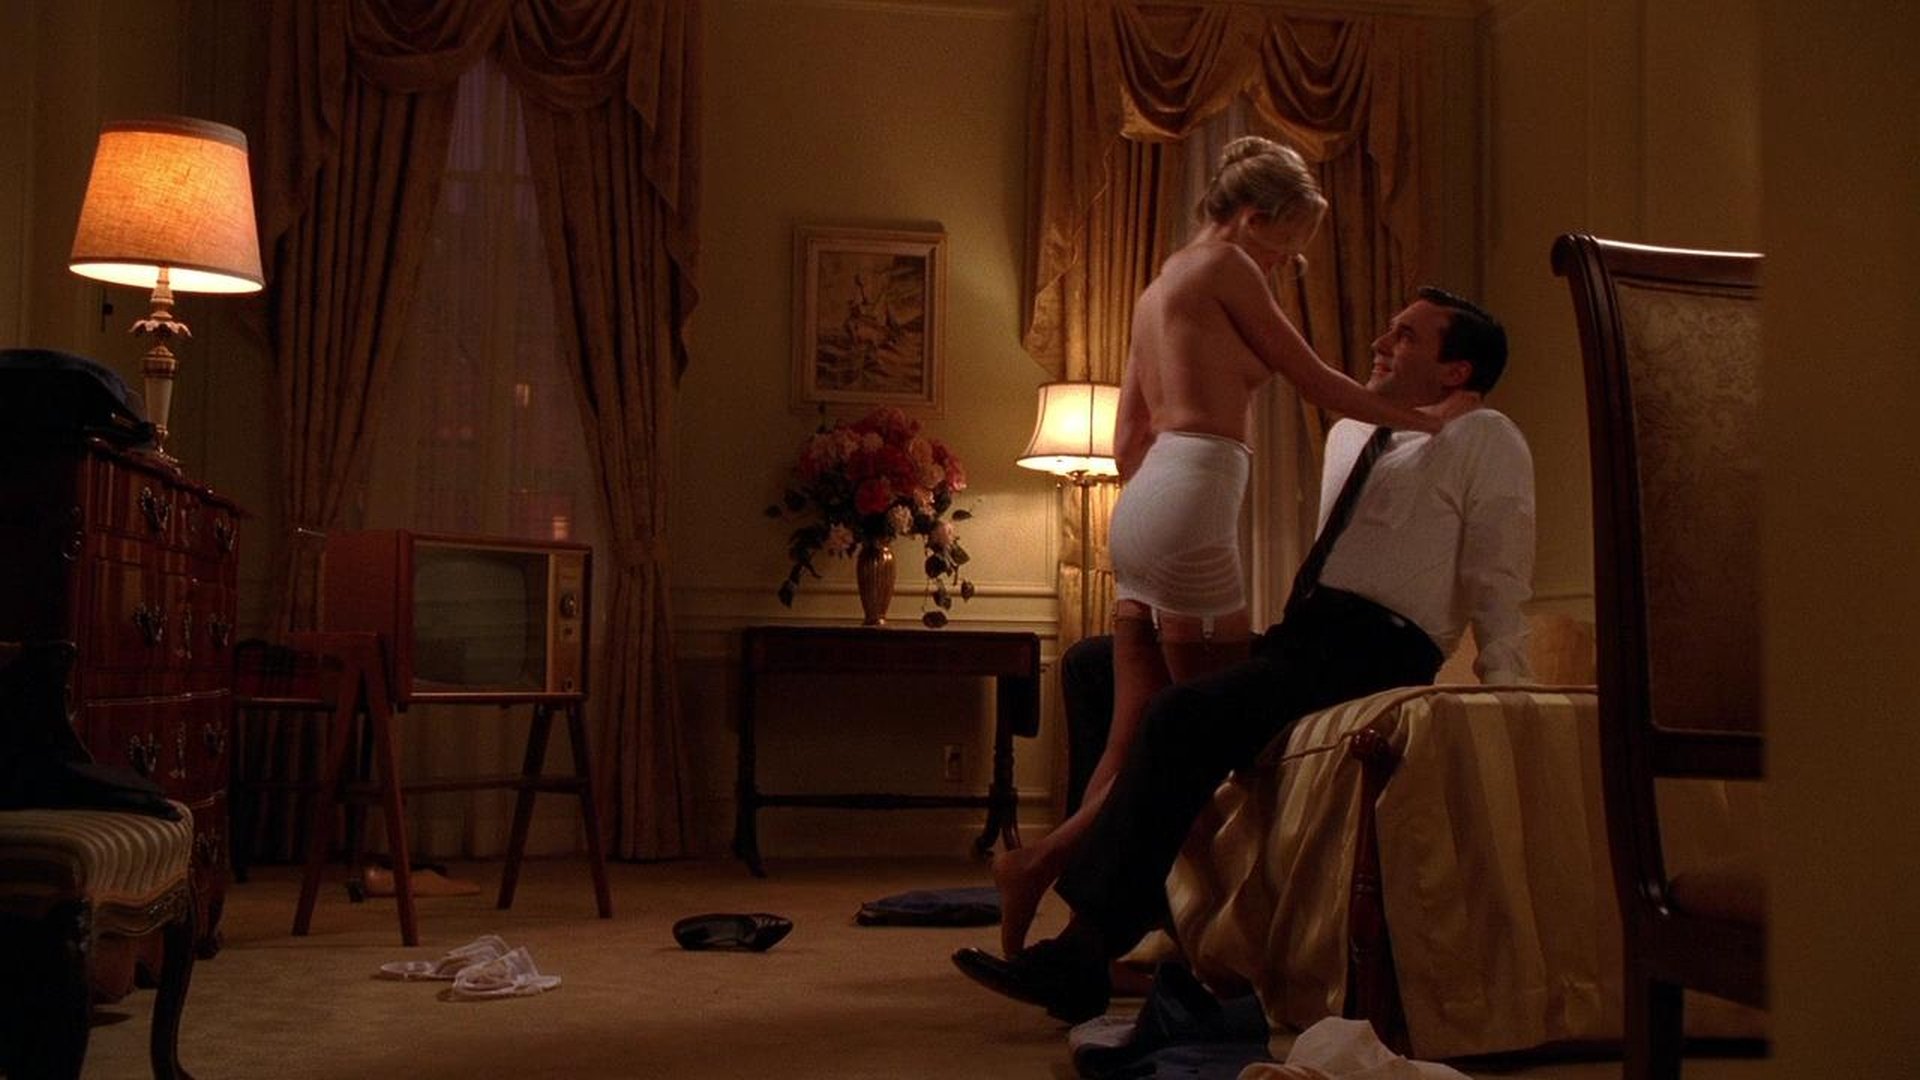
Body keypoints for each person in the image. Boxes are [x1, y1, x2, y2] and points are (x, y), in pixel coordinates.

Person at [955, 285, 1535, 1023]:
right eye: (1389, 329)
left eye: (1407, 337)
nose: (1382, 343)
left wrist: (1505, 684)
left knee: (1182, 715)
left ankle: (1083, 950)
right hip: (1303, 636)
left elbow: (1498, 571)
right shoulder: (1353, 432)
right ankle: (1150, 925)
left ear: (1456, 371)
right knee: (1093, 666)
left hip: (1378, 649)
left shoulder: (1486, 438)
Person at [990, 135, 1464, 959]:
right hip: (1196, 492)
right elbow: (1316, 380)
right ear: (1251, 218)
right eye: (1285, 247)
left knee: (1134, 734)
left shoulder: (1160, 285)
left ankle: (1085, 906)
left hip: (1144, 504)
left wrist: (1156, 515)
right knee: (1207, 734)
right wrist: (1430, 422)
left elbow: (1129, 434)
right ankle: (1071, 879)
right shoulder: (1229, 268)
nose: (1282, 266)